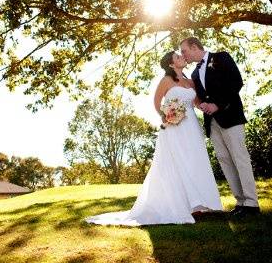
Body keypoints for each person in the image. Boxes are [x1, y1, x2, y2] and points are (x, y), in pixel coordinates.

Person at [85, 51, 223, 226]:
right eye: (178, 57)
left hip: (192, 127)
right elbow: (157, 102)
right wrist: (166, 116)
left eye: (181, 55)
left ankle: (198, 205)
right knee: (177, 163)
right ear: (172, 64)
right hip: (174, 128)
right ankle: (181, 206)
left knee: (195, 162)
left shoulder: (190, 81)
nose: (182, 57)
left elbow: (195, 103)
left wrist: (207, 105)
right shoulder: (166, 80)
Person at [180, 37, 260, 216]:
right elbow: (202, 97)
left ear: (194, 47)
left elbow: (236, 82)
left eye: (184, 51)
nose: (183, 55)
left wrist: (218, 104)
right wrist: (202, 105)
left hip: (230, 116)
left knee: (240, 158)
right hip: (212, 122)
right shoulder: (193, 74)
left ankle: (252, 204)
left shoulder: (221, 58)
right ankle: (240, 202)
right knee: (225, 161)